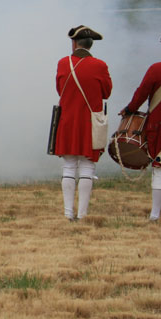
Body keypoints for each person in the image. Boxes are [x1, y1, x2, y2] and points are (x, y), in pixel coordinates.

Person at [53, 25, 112, 221]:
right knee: (87, 166)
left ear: (74, 43)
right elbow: (106, 92)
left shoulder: (63, 63)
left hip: (67, 120)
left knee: (69, 166)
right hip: (89, 123)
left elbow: (59, 89)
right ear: (90, 45)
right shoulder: (100, 65)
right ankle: (82, 215)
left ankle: (68, 213)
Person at [119, 36, 161, 221]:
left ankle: (154, 215)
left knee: (160, 170)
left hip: (159, 127)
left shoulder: (156, 69)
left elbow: (141, 94)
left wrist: (129, 110)